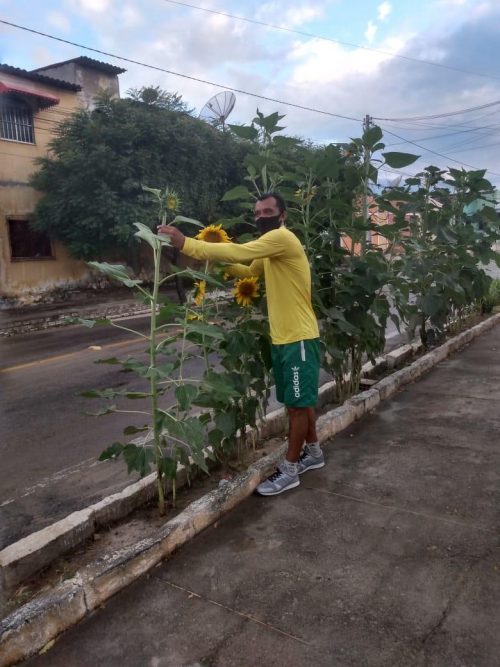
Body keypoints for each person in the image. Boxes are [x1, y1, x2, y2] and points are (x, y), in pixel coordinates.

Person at [157, 192, 324, 496]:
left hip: (298, 337)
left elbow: (239, 252)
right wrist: (219, 264)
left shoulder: (282, 239)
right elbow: (247, 270)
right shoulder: (271, 249)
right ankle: (312, 454)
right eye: (258, 213)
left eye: (268, 211)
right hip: (283, 337)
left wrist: (188, 244)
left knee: (298, 408)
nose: (262, 217)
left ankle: (290, 470)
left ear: (282, 215)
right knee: (298, 403)